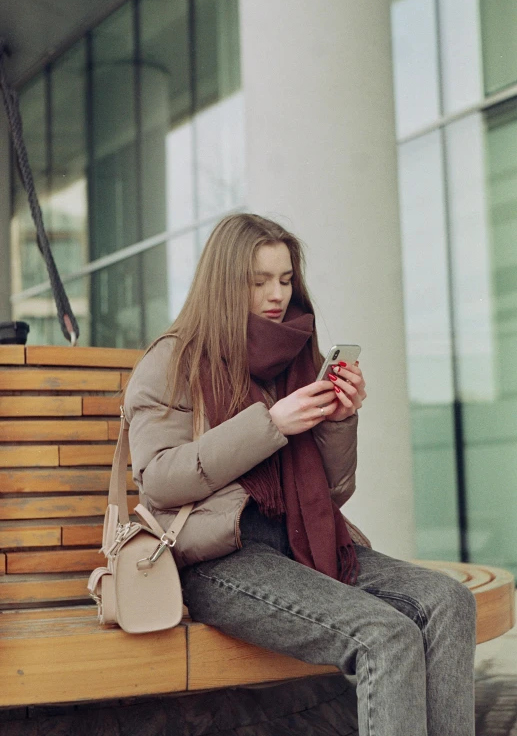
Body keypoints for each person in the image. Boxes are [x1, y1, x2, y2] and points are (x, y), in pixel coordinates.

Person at [124, 212, 476, 736]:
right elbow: (158, 480)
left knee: (451, 602)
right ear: (225, 283)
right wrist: (269, 424)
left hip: (304, 542)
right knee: (384, 635)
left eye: (286, 279)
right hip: (221, 557)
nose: (277, 295)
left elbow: (332, 492)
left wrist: (339, 420)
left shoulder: (295, 357)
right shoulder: (174, 361)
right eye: (259, 280)